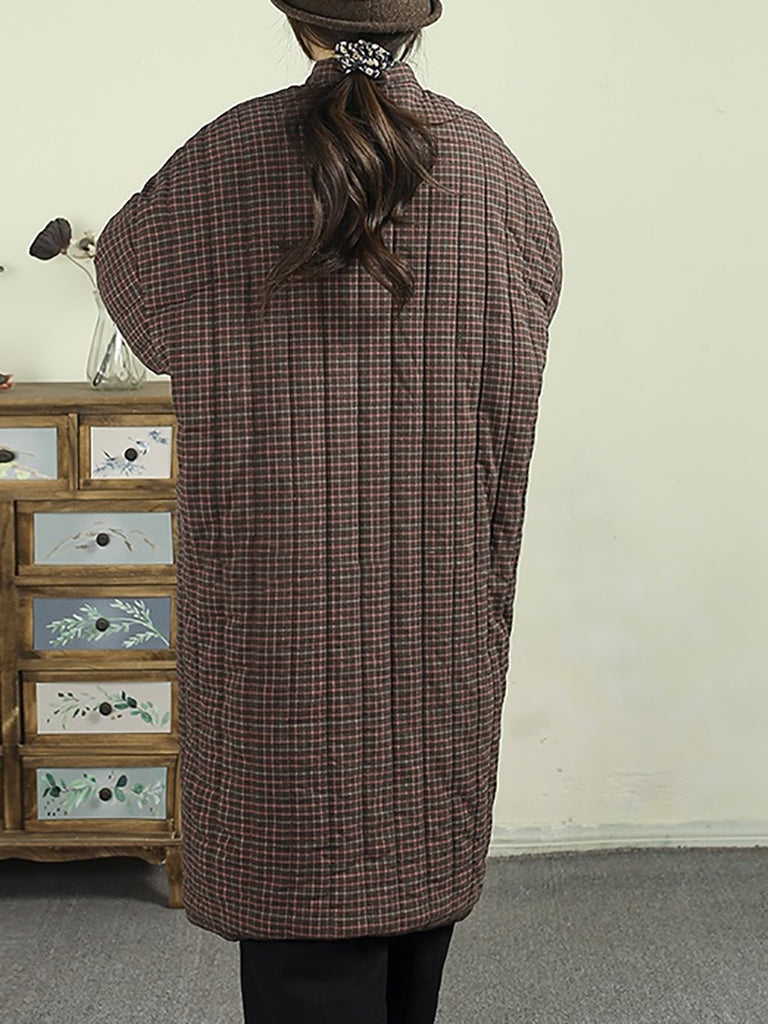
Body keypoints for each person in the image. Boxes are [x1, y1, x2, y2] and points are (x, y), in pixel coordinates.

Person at [93, 1, 563, 1021]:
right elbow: (530, 324)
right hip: (435, 621)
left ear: (294, 17)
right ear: (421, 21)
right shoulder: (491, 172)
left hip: (278, 633)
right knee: (413, 929)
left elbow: (137, 306)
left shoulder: (219, 164)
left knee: (299, 924)